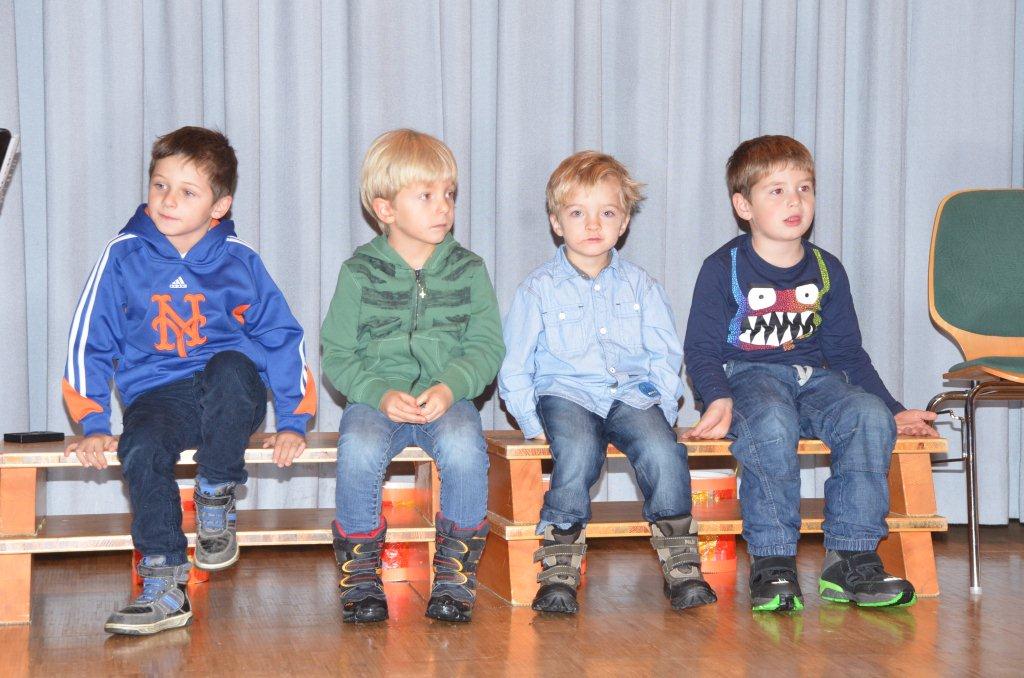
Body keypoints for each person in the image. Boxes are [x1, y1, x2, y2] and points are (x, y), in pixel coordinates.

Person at [63, 126, 315, 635]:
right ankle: (164, 584)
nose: (168, 200)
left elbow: (280, 338)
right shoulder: (122, 256)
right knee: (140, 446)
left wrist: (293, 420)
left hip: (230, 395)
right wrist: (93, 422)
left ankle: (216, 491)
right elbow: (91, 339)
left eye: (187, 191)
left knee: (231, 366)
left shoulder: (239, 260)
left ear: (218, 206)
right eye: (160, 185)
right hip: (158, 395)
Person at [683, 135, 938, 612]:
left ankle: (850, 558)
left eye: (804, 188)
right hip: (748, 377)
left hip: (812, 379)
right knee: (770, 421)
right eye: (776, 191)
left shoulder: (826, 269)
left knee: (867, 416)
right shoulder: (723, 268)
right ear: (744, 206)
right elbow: (700, 349)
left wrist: (893, 409)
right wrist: (717, 396)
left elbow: (847, 354)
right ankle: (773, 561)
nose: (794, 201)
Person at [499, 151, 717, 614]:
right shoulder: (538, 289)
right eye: (578, 213)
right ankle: (560, 564)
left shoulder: (642, 286)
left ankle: (681, 561)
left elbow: (665, 354)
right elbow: (515, 362)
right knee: (577, 451)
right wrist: (530, 422)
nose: (593, 224)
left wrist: (662, 408)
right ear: (557, 222)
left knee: (662, 450)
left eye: (608, 213)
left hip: (632, 394)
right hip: (566, 394)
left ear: (624, 223)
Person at [321, 129, 504, 623]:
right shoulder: (359, 272)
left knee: (465, 447)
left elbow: (487, 345)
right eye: (426, 195)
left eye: (449, 194)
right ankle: (361, 576)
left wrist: (452, 385)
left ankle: (454, 576)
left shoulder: (469, 269)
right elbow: (337, 353)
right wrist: (377, 393)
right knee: (358, 447)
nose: (443, 206)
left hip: (448, 398)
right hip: (377, 400)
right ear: (386, 209)